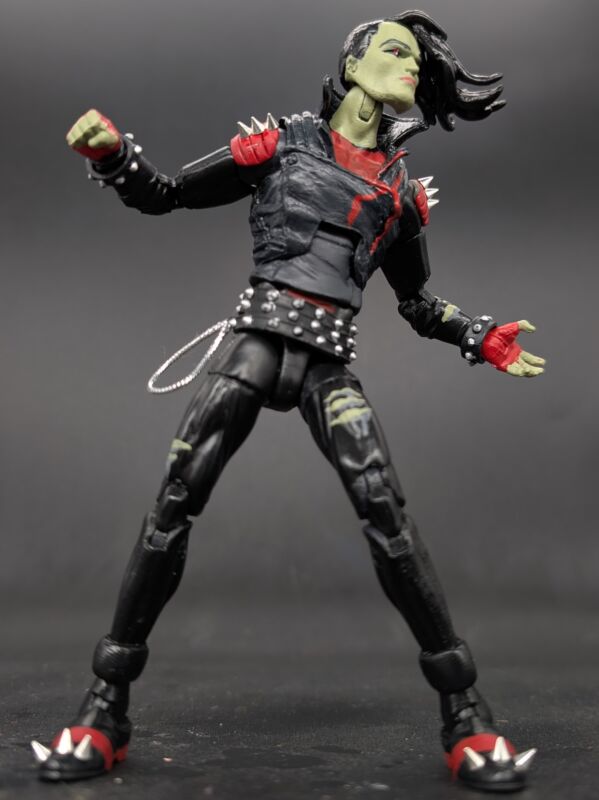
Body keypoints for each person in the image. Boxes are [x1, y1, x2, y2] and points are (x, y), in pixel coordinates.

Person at [32, 10, 543, 791]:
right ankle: (104, 707)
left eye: (416, 60)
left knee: (387, 516)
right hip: (254, 345)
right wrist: (112, 156)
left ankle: (465, 713)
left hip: (325, 363)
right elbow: (164, 195)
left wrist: (476, 335)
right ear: (353, 62)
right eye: (394, 51)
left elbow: (415, 302)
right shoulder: (280, 144)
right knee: (172, 506)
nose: (410, 67)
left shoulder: (398, 194)